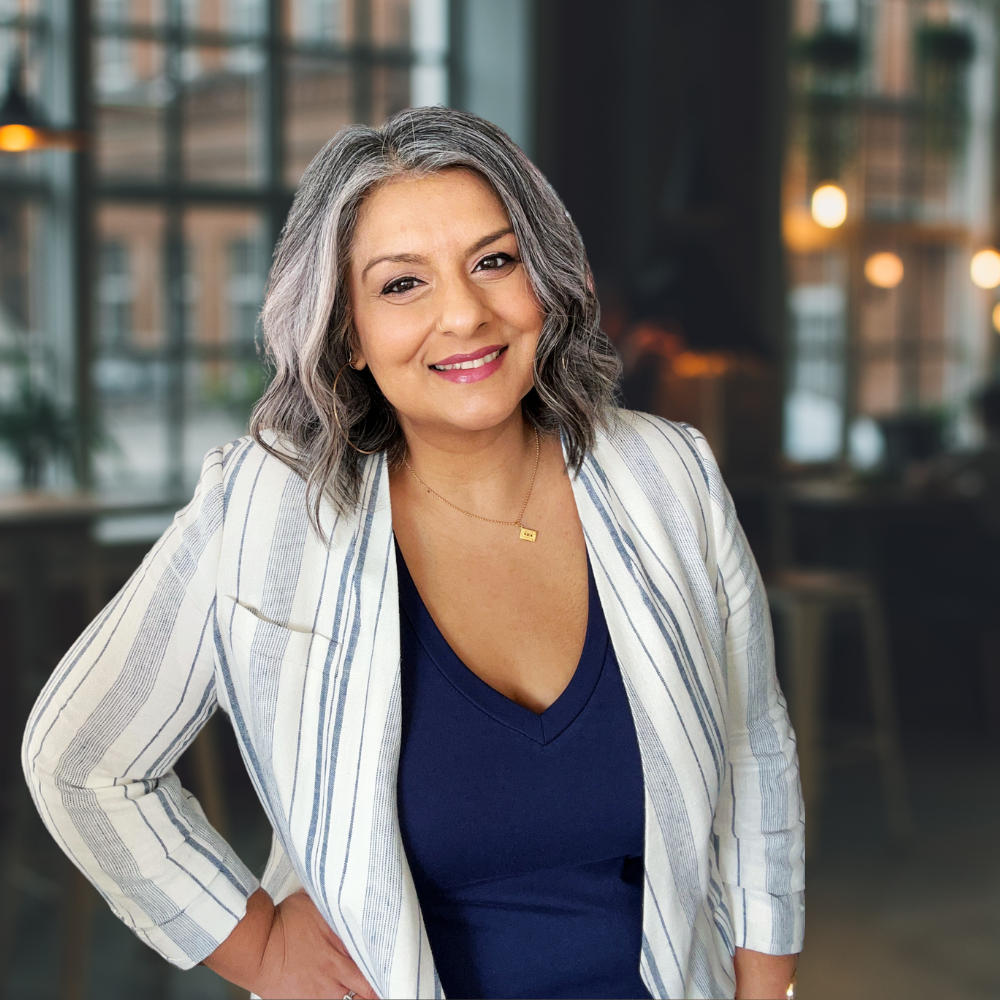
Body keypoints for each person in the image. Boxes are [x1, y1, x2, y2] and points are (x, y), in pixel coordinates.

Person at [22, 108, 803, 1000]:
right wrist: (257, 946)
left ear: (543, 280)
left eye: (494, 261)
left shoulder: (669, 475)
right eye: (402, 285)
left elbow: (754, 752)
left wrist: (764, 984)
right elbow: (79, 758)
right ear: (346, 332)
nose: (464, 313)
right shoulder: (269, 509)